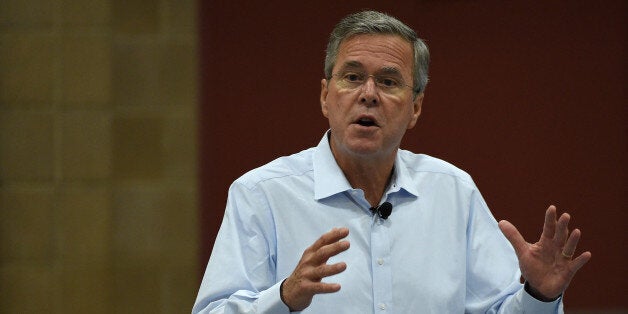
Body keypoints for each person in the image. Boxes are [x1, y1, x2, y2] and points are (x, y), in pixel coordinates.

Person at [192, 10, 591, 313]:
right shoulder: (262, 194)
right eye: (351, 77)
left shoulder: (452, 191)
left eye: (388, 81)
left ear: (415, 108)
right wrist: (283, 297)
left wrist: (539, 294)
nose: (368, 94)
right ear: (324, 96)